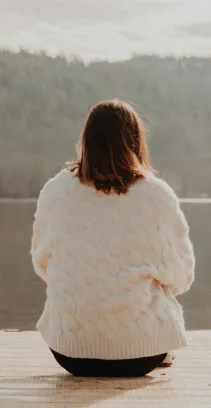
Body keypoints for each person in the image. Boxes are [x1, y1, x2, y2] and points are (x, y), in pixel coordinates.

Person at [30, 99, 196, 377]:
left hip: (70, 353)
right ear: (136, 141)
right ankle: (158, 345)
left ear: (86, 141)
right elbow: (181, 276)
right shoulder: (157, 194)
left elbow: (41, 262)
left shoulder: (55, 190)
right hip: (141, 354)